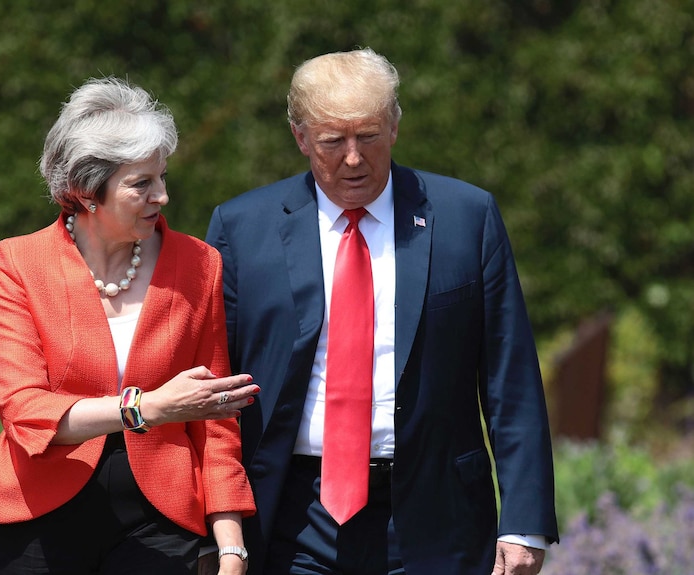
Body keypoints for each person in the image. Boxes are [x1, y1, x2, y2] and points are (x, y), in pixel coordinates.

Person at [205, 48, 559, 575]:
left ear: (394, 126)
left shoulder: (466, 217)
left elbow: (511, 378)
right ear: (301, 138)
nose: (353, 158)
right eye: (332, 141)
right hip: (292, 513)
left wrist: (524, 523)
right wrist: (223, 522)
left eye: (368, 136)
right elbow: (216, 385)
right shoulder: (241, 229)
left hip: (436, 513)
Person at [0, 76, 258, 575]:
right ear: (85, 191)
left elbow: (216, 416)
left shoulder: (199, 264)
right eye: (142, 183)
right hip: (35, 513)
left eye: (162, 177)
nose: (161, 195)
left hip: (160, 516)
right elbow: (25, 410)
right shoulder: (19, 263)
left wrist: (230, 542)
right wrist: (147, 408)